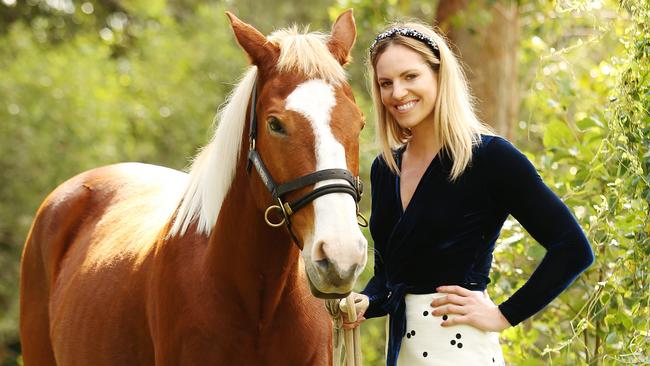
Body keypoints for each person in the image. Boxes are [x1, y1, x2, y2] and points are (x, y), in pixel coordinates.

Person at [340, 21, 595, 365]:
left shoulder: (491, 158)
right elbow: (389, 277)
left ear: (439, 75)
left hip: (463, 351)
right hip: (404, 354)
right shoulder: (386, 169)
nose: (397, 93)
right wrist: (368, 301)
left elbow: (573, 249)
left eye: (410, 77)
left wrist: (504, 315)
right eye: (386, 83)